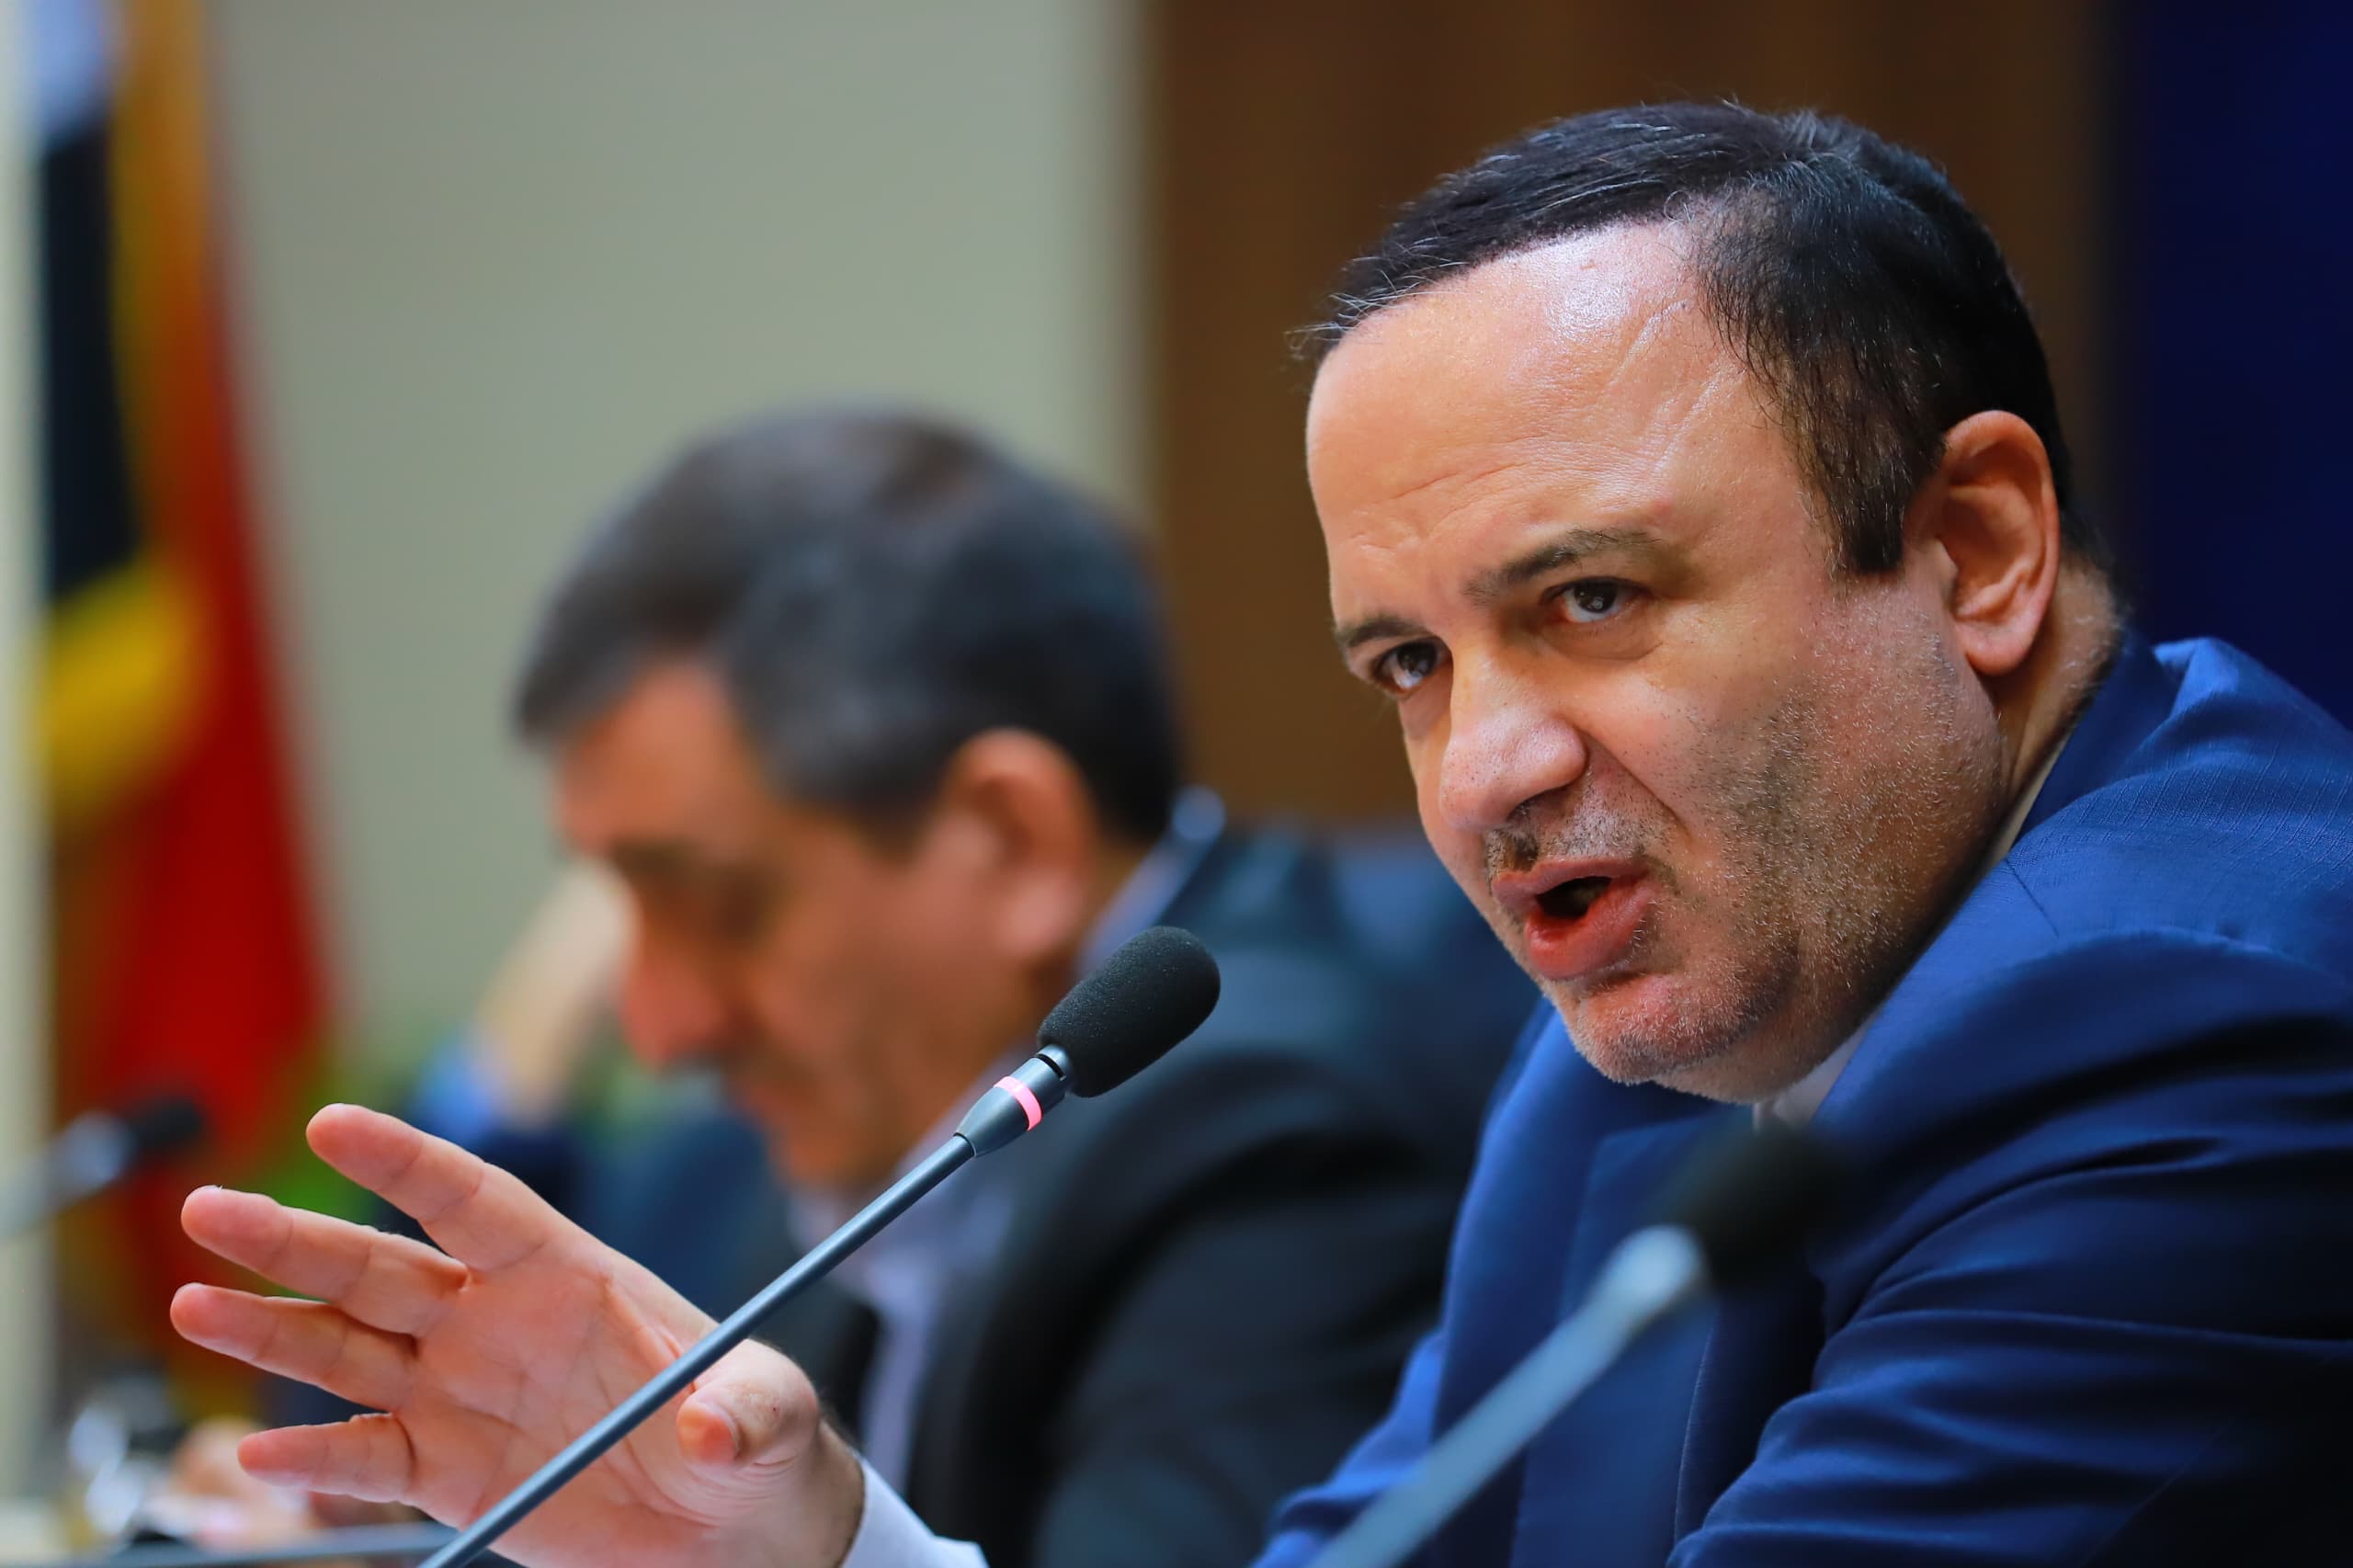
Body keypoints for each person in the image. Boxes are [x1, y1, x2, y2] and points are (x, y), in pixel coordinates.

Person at [172, 101, 2353, 1567]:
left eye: (1588, 602)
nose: (1481, 771)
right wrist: (813, 1543)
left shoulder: (2185, 1034)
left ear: (1972, 548)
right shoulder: (1661, 1028)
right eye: (1408, 661)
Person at [168, 410, 1530, 1568]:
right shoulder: (819, 1130)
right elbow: (500, 1423)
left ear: (1014, 840)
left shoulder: (1275, 1129)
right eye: (620, 910)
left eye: (719, 907)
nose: (657, 1026)